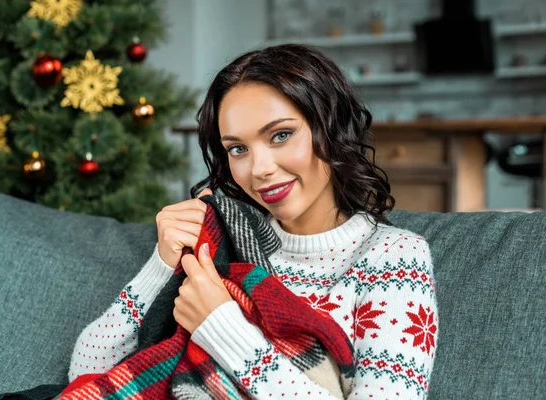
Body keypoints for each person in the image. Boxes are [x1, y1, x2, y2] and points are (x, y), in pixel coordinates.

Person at [68, 44, 439, 399]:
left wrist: (220, 325)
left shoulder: (394, 256)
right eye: (238, 149)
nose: (259, 169)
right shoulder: (227, 241)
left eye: (281, 135)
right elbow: (88, 369)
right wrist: (161, 264)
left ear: (330, 129)